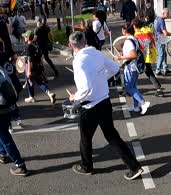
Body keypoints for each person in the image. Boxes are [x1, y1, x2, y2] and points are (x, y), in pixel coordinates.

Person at [67, 31, 144, 180]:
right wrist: (101, 78)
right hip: (104, 101)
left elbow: (85, 88)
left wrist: (74, 97)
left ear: (71, 45)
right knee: (112, 136)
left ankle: (87, 166)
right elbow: (115, 68)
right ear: (85, 41)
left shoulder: (78, 61)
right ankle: (134, 167)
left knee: (85, 138)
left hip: (89, 106)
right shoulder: (96, 53)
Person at [0, 25, 25, 128]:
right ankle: (17, 117)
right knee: (12, 97)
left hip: (0, 79)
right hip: (10, 74)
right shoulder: (5, 44)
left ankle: (9, 124)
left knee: (4, 100)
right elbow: (15, 58)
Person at [114, 24, 151, 114]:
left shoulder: (128, 41)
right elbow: (142, 47)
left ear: (124, 31)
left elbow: (133, 55)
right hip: (135, 67)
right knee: (133, 86)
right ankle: (135, 107)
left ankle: (143, 103)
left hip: (130, 67)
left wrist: (121, 58)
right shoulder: (135, 39)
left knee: (129, 87)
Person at [131, 18, 164, 97]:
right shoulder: (147, 30)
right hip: (149, 54)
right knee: (147, 71)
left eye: (133, 26)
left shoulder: (136, 34)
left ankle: (130, 89)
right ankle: (158, 88)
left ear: (135, 26)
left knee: (140, 71)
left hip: (141, 56)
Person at [22, 31, 56, 104]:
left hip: (32, 68)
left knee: (29, 82)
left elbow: (29, 60)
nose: (24, 37)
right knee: (40, 82)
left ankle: (31, 97)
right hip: (38, 67)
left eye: (25, 36)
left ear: (28, 38)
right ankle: (50, 93)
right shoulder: (36, 45)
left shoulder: (29, 47)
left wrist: (28, 71)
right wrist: (43, 68)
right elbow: (40, 57)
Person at [154, 8, 171, 76]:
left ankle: (165, 69)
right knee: (161, 55)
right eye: (167, 13)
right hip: (160, 39)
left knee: (164, 54)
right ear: (163, 13)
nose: (168, 15)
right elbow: (165, 33)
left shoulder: (157, 18)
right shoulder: (161, 20)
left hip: (158, 38)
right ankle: (157, 70)